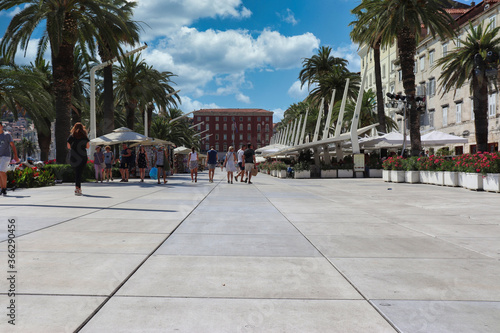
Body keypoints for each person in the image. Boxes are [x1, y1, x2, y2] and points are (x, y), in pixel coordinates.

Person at [67, 122, 89, 196]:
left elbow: (68, 146)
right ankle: (78, 188)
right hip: (82, 156)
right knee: (80, 172)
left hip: (74, 156)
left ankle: (77, 188)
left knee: (77, 172)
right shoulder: (84, 137)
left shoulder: (72, 136)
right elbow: (88, 146)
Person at [0, 122, 20, 196]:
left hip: (6, 156)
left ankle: (4, 189)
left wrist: (16, 156)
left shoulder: (7, 135)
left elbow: (12, 145)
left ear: (1, 126)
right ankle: (2, 188)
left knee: (2, 171)